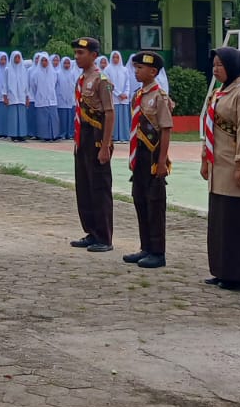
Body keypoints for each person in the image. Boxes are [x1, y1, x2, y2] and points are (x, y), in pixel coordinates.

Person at [204, 47, 240, 291]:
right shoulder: (221, 92)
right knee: (221, 221)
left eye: (221, 64)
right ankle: (222, 269)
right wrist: (205, 157)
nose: (216, 69)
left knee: (239, 220)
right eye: (214, 64)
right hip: (219, 164)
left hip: (236, 163)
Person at [124, 50, 173, 270]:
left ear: (153, 71)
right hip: (140, 155)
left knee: (154, 202)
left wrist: (162, 160)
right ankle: (145, 246)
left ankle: (157, 251)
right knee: (140, 199)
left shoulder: (159, 96)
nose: (136, 71)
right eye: (135, 67)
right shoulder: (138, 95)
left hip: (153, 155)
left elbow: (166, 129)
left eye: (140, 68)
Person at [71, 37, 115, 252]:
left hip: (97, 137)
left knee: (99, 187)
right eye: (76, 53)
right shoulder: (81, 78)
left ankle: (104, 236)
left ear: (94, 55)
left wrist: (105, 145)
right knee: (84, 186)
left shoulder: (101, 80)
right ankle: (91, 231)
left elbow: (109, 113)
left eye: (81, 53)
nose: (77, 57)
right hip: (83, 137)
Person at [106, 51, 132, 142]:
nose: (115, 59)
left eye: (117, 57)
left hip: (124, 98)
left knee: (124, 118)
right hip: (113, 97)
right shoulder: (107, 69)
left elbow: (128, 83)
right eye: (114, 57)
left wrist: (126, 93)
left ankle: (124, 136)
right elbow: (107, 84)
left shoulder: (124, 70)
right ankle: (114, 136)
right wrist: (118, 94)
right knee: (114, 117)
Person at [31, 53, 58, 142]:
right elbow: (34, 87)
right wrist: (39, 95)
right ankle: (45, 136)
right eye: (42, 60)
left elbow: (54, 84)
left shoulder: (53, 73)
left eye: (46, 60)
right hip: (41, 100)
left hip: (52, 100)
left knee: (53, 118)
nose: (44, 62)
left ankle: (53, 135)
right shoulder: (35, 73)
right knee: (43, 119)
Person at [6, 51, 29, 141]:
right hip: (11, 95)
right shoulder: (8, 69)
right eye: (15, 57)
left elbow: (26, 84)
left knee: (21, 116)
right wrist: (5, 96)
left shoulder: (23, 69)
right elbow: (5, 84)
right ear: (12, 58)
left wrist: (27, 97)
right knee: (13, 117)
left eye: (19, 57)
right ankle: (13, 135)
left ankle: (21, 135)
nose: (17, 59)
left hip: (22, 96)